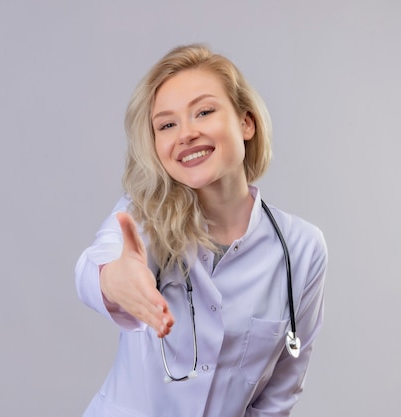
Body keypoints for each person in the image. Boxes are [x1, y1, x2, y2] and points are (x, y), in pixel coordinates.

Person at [75, 43, 327, 417]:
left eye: (204, 112)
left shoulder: (302, 248)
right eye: (166, 125)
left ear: (246, 122)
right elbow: (94, 266)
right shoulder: (142, 215)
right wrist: (113, 279)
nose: (185, 134)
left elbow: (278, 397)